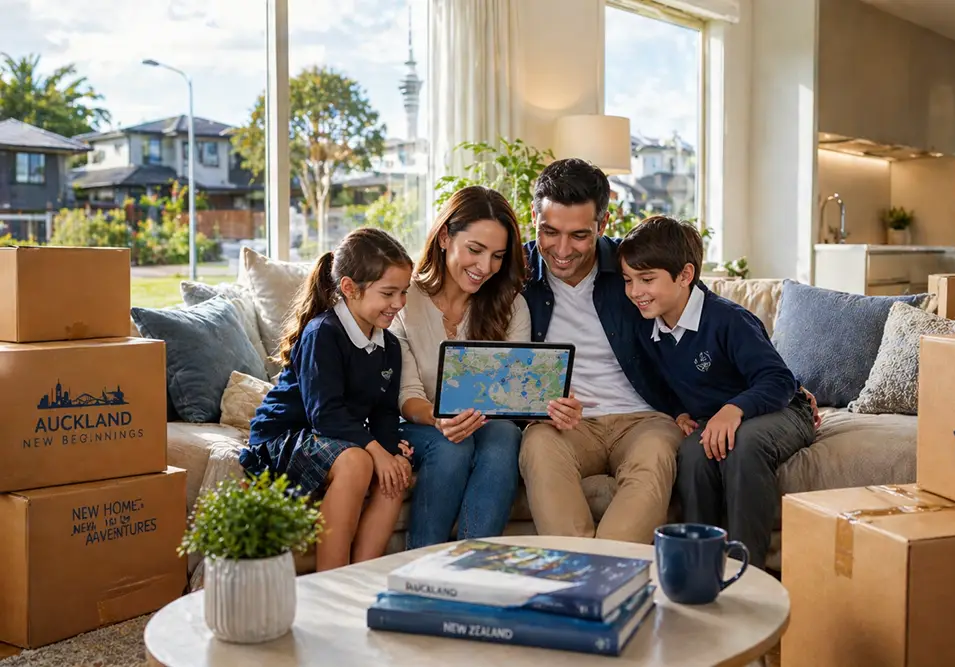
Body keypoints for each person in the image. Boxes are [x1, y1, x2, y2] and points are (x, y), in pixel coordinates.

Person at [391, 185, 583, 549]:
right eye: (475, 250)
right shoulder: (406, 300)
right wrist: (438, 418)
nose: (485, 268)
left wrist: (550, 406)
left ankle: (475, 561)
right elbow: (407, 394)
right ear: (445, 237)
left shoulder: (511, 306)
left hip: (488, 425)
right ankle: (418, 564)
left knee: (504, 434)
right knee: (452, 447)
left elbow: (514, 395)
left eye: (497, 256)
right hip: (417, 422)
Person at [619, 216, 816, 568]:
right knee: (694, 453)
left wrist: (734, 409)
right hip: (718, 420)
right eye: (628, 280)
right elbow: (657, 382)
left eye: (647, 279)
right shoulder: (648, 328)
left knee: (743, 445)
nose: (635, 291)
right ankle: (702, 564)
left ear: (685, 275)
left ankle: (746, 568)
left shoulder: (728, 320)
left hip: (782, 409)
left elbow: (779, 379)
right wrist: (678, 410)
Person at [519, 158, 684, 544]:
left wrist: (785, 387)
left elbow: (710, 321)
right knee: (538, 444)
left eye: (578, 235)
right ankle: (579, 572)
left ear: (603, 224)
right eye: (549, 231)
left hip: (643, 418)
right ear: (534, 216)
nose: (561, 250)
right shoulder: (514, 272)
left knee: (657, 453)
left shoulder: (637, 266)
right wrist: (540, 400)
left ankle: (601, 573)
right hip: (565, 425)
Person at [239, 227, 414, 571]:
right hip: (284, 436)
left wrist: (390, 450)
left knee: (398, 469)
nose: (399, 304)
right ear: (349, 288)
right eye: (389, 293)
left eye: (404, 293)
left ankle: (359, 576)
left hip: (331, 437)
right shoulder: (323, 333)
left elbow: (383, 412)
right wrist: (374, 451)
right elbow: (326, 414)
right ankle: (331, 580)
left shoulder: (389, 346)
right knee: (357, 461)